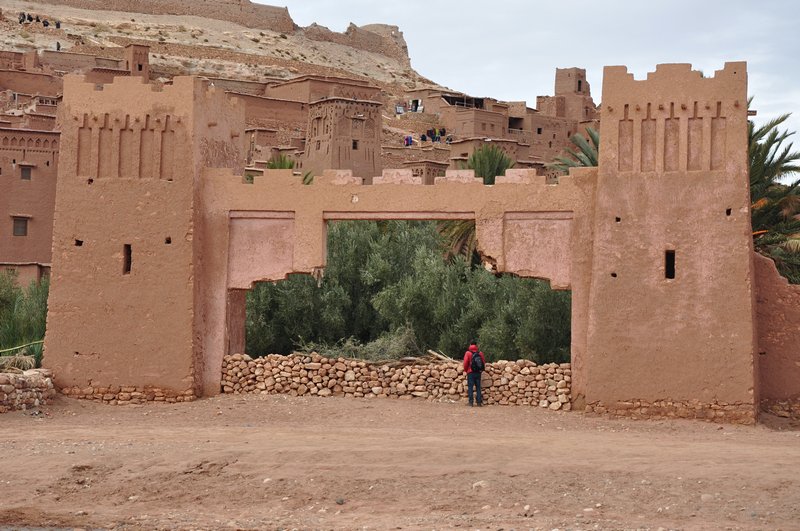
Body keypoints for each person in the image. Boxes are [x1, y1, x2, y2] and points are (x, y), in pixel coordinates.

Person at [463, 342, 485, 406]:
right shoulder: (480, 353)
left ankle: (471, 402)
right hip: (478, 372)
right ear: (476, 345)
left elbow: (465, 363)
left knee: (470, 387)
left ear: (470, 345)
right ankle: (479, 403)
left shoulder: (468, 353)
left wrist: (466, 370)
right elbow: (483, 362)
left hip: (470, 372)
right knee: (478, 387)